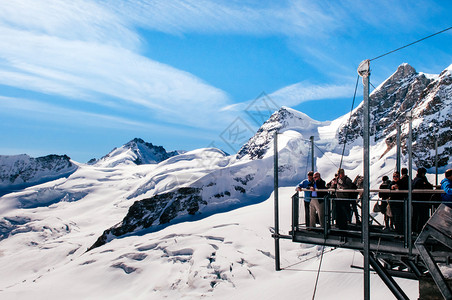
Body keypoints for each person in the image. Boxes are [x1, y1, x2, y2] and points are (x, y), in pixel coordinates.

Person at [412, 167, 433, 233]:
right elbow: (428, 187)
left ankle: (415, 230)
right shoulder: (421, 181)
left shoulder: (415, 179)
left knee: (416, 216)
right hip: (421, 202)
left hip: (416, 202)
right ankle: (419, 230)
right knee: (422, 217)